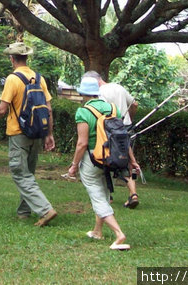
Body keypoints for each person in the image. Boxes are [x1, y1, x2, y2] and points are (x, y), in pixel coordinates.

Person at [0, 41, 58, 227]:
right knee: (29, 174)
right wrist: (49, 134)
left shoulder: (13, 79)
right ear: (26, 57)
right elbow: (48, 108)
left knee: (19, 173)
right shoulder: (39, 78)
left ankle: (45, 210)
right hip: (37, 132)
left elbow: (2, 109)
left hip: (19, 133)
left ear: (12, 59)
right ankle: (23, 212)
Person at [67, 76, 134, 250]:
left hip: (92, 159)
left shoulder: (83, 112)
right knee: (103, 193)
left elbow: (82, 143)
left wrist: (74, 165)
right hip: (111, 159)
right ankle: (97, 231)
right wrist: (132, 160)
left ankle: (119, 234)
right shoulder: (113, 109)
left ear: (82, 92)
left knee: (97, 197)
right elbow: (122, 137)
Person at [84, 70, 140, 208]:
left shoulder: (99, 93)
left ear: (94, 81)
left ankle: (107, 196)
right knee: (125, 161)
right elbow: (135, 104)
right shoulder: (118, 87)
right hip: (125, 128)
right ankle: (133, 193)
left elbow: (101, 113)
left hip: (108, 131)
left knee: (106, 161)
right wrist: (130, 120)